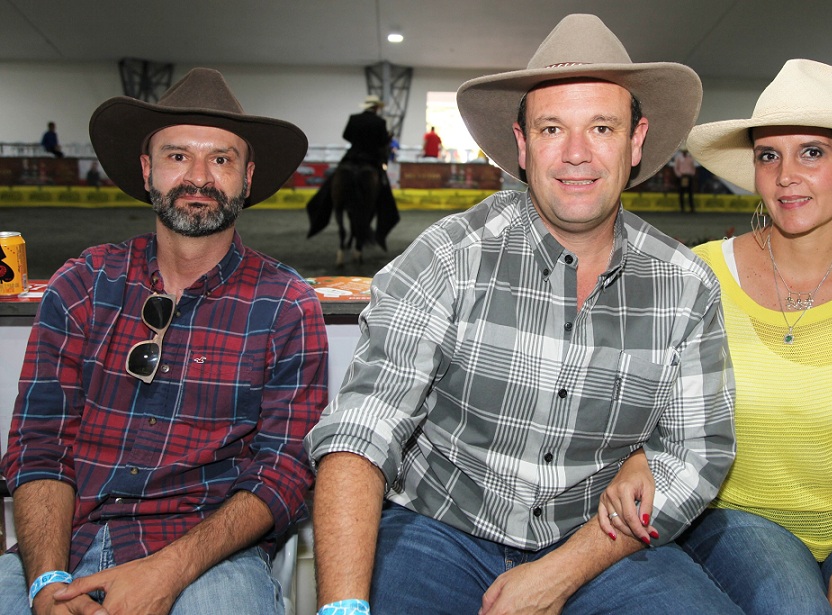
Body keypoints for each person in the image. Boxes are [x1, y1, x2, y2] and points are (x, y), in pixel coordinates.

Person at [305, 13, 740, 615]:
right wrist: (343, 611)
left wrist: (560, 572)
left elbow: (698, 452)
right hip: (439, 530)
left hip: (598, 537)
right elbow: (362, 428)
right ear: (522, 143)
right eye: (553, 128)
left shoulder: (686, 286)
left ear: (636, 141)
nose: (577, 155)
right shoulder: (448, 255)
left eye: (602, 128)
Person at [602, 59, 832, 615]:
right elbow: (637, 396)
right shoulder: (697, 275)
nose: (785, 176)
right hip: (742, 518)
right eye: (768, 155)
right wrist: (637, 454)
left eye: (813, 152)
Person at [0, 68, 329, 614]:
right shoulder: (84, 285)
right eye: (178, 156)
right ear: (148, 170)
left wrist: (167, 571)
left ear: (246, 178)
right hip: (66, 539)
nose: (199, 177)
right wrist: (47, 582)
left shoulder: (286, 305)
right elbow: (40, 444)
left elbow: (285, 470)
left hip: (208, 556)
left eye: (221, 159)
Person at [306, 95, 396, 265]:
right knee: (383, 191)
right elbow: (383, 142)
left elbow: (346, 136)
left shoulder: (354, 118)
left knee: (330, 185)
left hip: (351, 158)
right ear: (376, 108)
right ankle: (359, 247)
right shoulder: (380, 122)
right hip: (370, 161)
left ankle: (339, 244)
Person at [672, 148, 696, 212]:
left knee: (690, 193)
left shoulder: (690, 158)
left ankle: (691, 207)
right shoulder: (679, 158)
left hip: (689, 176)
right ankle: (682, 208)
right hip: (682, 176)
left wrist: (692, 174)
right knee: (681, 193)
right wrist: (679, 175)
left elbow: (693, 167)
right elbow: (676, 168)